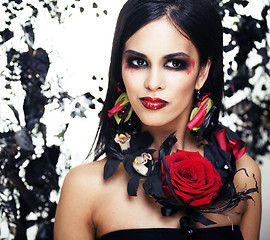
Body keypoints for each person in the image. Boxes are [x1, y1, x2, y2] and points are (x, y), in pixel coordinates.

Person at [54, 0, 261, 239]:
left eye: (174, 63)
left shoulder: (244, 176)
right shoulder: (85, 187)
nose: (152, 83)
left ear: (202, 71)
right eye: (138, 62)